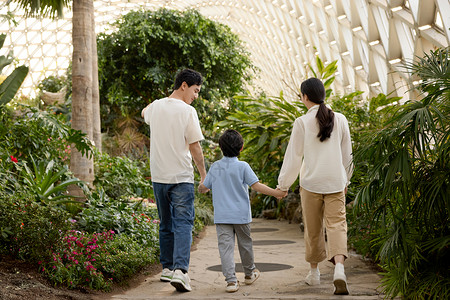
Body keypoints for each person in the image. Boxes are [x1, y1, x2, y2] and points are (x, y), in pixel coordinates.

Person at [277, 78, 353, 295]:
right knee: (337, 225)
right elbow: (348, 155)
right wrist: (346, 179)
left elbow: (293, 157)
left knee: (313, 228)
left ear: (305, 97)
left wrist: (284, 185)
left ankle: (314, 273)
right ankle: (339, 268)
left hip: (311, 184)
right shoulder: (340, 119)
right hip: (335, 182)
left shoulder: (301, 122)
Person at [141, 68, 207, 292]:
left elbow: (144, 113)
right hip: (181, 177)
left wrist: (154, 104)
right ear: (184, 86)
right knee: (183, 224)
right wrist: (204, 176)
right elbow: (195, 146)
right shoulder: (187, 111)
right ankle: (181, 271)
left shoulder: (157, 106)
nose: (196, 96)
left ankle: (167, 268)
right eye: (196, 91)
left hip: (159, 177)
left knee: (166, 223)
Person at [198, 129, 287, 293]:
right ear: (241, 148)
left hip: (222, 217)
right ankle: (249, 273)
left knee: (225, 248)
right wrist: (277, 193)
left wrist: (201, 187)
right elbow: (256, 186)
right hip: (241, 216)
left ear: (221, 148)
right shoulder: (243, 166)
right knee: (245, 245)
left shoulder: (215, 167)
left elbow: (204, 187)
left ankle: (231, 282)